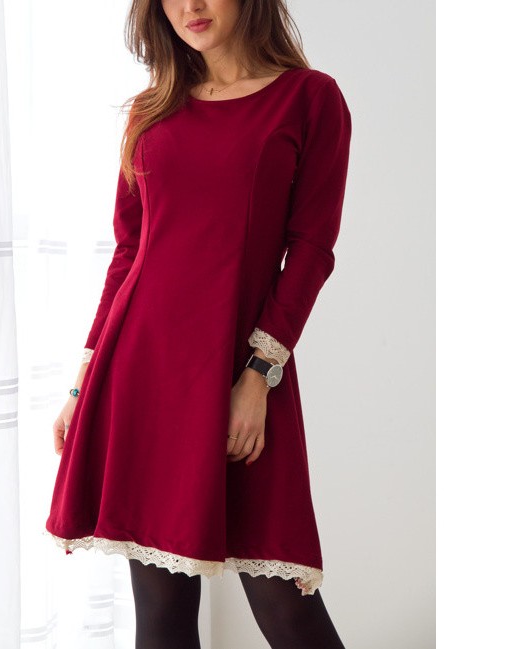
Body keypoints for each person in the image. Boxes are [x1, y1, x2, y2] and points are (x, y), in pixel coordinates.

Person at [45, 1, 352, 647]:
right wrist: (81, 381)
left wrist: (258, 375)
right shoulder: (150, 109)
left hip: (240, 368)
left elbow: (311, 249)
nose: (190, 6)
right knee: (159, 609)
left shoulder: (308, 98)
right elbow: (129, 252)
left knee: (287, 607)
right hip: (142, 368)